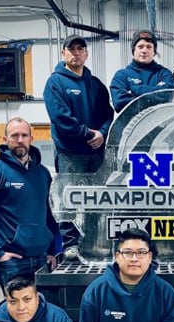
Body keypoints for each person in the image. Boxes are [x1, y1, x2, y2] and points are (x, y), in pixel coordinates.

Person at [44, 34, 114, 258]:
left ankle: (93, 239)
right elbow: (61, 118)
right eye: (71, 48)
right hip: (70, 153)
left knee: (96, 198)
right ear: (63, 53)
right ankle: (71, 243)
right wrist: (88, 134)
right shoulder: (55, 82)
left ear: (86, 53)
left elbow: (108, 114)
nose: (76, 52)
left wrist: (102, 133)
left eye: (80, 48)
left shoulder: (96, 85)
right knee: (69, 198)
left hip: (96, 152)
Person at [0, 117, 59, 291]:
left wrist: (51, 251)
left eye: (24, 135)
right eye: (14, 135)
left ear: (31, 139)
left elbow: (50, 215)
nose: (20, 140)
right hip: (12, 262)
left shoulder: (43, 174)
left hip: (42, 258)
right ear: (5, 140)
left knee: (43, 310)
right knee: (19, 313)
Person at [110, 29, 174, 113]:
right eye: (140, 47)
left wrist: (136, 90)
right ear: (133, 50)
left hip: (161, 125)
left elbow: (169, 97)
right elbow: (119, 104)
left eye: (149, 47)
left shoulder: (164, 74)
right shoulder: (122, 76)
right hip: (132, 125)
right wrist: (155, 95)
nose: (144, 51)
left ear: (154, 52)